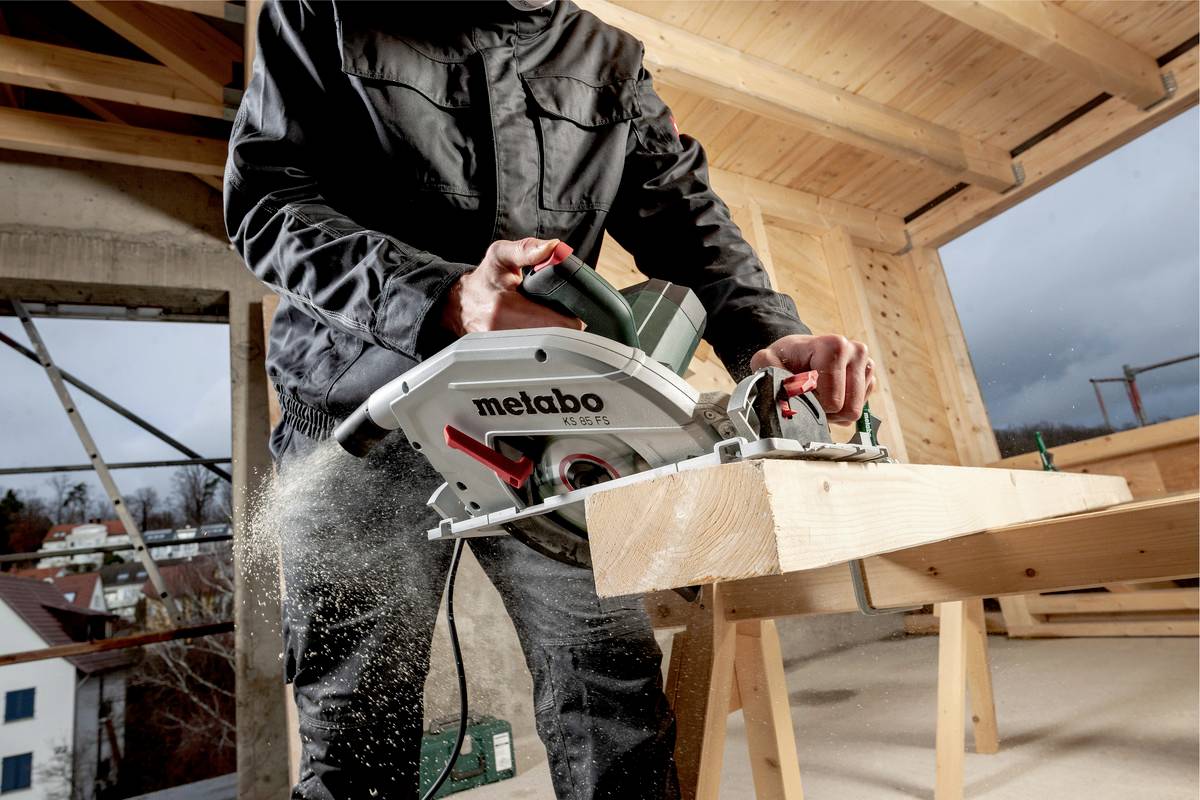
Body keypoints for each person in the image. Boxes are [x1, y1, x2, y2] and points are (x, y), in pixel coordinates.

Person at [225, 2, 875, 798]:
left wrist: (769, 336)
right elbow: (267, 201)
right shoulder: (326, 11)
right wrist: (442, 300)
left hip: (551, 431)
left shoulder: (608, 58)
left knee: (612, 701)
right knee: (354, 729)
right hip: (360, 407)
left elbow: (688, 223)